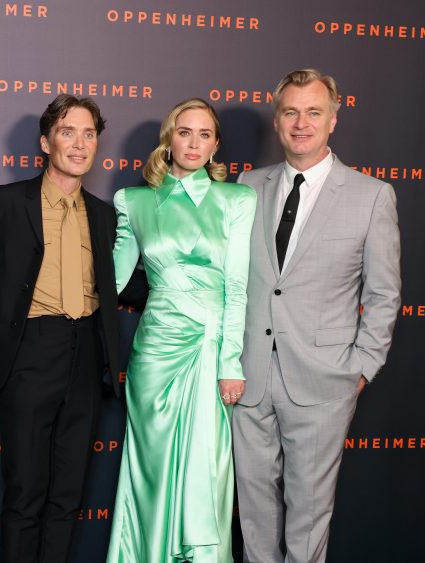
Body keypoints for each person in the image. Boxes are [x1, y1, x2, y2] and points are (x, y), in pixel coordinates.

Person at [233, 69, 401, 563]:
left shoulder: (372, 196)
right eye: (290, 112)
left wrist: (362, 366)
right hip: (250, 376)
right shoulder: (248, 185)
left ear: (333, 119)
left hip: (325, 381)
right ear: (277, 120)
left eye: (313, 112)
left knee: (308, 515)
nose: (301, 123)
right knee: (254, 513)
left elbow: (385, 293)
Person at [0, 94, 123, 563]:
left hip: (85, 357)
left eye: (88, 134)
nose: (79, 144)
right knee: (24, 494)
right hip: (29, 354)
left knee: (68, 497)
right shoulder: (3, 203)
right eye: (67, 132)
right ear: (45, 142)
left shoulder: (103, 214)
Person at [107, 98, 256, 563]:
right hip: (154, 353)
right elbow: (110, 278)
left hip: (211, 349)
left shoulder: (237, 198)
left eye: (205, 134)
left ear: (215, 146)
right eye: (185, 132)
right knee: (148, 469)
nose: (194, 143)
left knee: (205, 469)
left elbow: (236, 285)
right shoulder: (134, 201)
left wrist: (231, 361)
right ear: (168, 139)